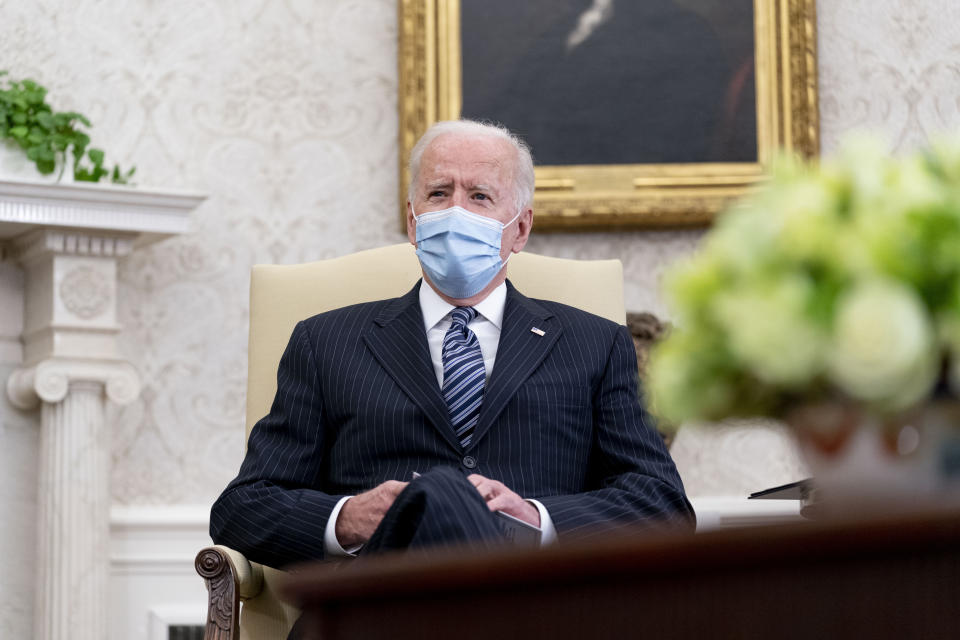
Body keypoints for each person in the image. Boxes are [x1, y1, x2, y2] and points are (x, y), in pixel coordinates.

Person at [209, 120, 694, 569]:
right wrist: (347, 517)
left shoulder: (595, 344)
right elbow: (242, 509)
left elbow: (661, 503)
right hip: (378, 603)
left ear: (520, 228)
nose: (456, 211)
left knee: (438, 496)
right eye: (439, 193)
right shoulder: (325, 342)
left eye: (480, 196)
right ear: (413, 219)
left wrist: (534, 518)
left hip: (533, 600)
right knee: (440, 496)